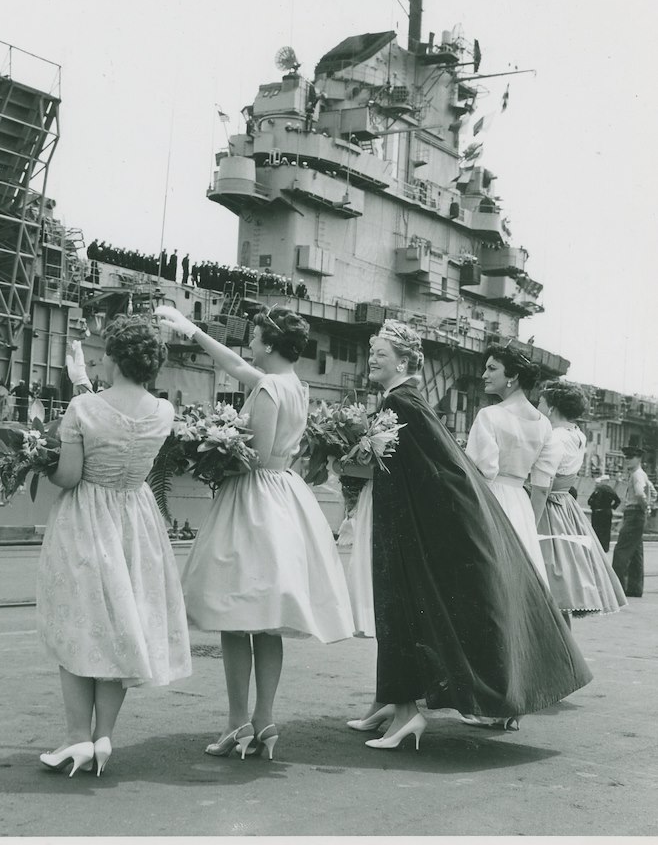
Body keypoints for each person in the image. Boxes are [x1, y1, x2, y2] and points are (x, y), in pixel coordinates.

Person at [347, 320, 592, 750]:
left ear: (402, 362)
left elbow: (468, 470)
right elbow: (532, 481)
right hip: (516, 506)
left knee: (431, 604)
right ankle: (400, 702)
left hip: (471, 504)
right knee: (503, 600)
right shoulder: (539, 423)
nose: (371, 359)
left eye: (380, 353)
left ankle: (409, 706)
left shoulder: (443, 409)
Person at [154, 303, 354, 761]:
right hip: (285, 496)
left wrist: (208, 451)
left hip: (253, 500)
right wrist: (192, 330)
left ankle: (236, 722)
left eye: (256, 336)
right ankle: (265, 719)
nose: (250, 343)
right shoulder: (294, 385)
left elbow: (254, 457)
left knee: (234, 616)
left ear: (269, 343)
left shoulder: (267, 388)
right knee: (266, 623)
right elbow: (235, 365)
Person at [36, 314, 191, 778]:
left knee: (77, 627)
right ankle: (103, 735)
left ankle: (75, 737)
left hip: (86, 521)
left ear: (117, 360)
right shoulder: (163, 411)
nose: (100, 360)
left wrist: (40, 463)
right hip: (135, 522)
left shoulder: (82, 409)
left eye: (105, 353)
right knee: (119, 630)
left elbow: (69, 475)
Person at [536, 381, 626, 625]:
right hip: (566, 506)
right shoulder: (577, 434)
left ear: (552, 407)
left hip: (548, 507)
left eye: (541, 402)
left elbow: (543, 486)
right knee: (562, 582)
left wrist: (529, 521)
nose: (538, 406)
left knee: (548, 580)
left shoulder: (554, 437)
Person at [465, 343, 556, 584]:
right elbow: (542, 487)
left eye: (492, 368)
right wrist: (528, 526)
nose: (484, 375)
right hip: (521, 506)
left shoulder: (489, 415)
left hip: (490, 500)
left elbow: (480, 473)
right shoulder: (544, 424)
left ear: (513, 375)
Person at [611, 445, 650, 598]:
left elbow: (640, 493)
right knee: (635, 552)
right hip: (636, 514)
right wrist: (648, 506)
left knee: (621, 551)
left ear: (639, 458)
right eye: (626, 457)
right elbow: (651, 491)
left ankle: (617, 589)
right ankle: (634, 588)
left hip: (634, 513)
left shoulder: (637, 475)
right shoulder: (640, 474)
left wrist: (644, 506)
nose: (627, 460)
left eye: (631, 457)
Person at [588, 475, 621, 552]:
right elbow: (618, 501)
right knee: (606, 530)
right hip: (608, 512)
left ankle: (597, 547)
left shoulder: (599, 489)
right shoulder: (611, 490)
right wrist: (612, 507)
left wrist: (594, 506)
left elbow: (593, 501)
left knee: (596, 530)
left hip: (598, 512)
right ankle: (605, 547)